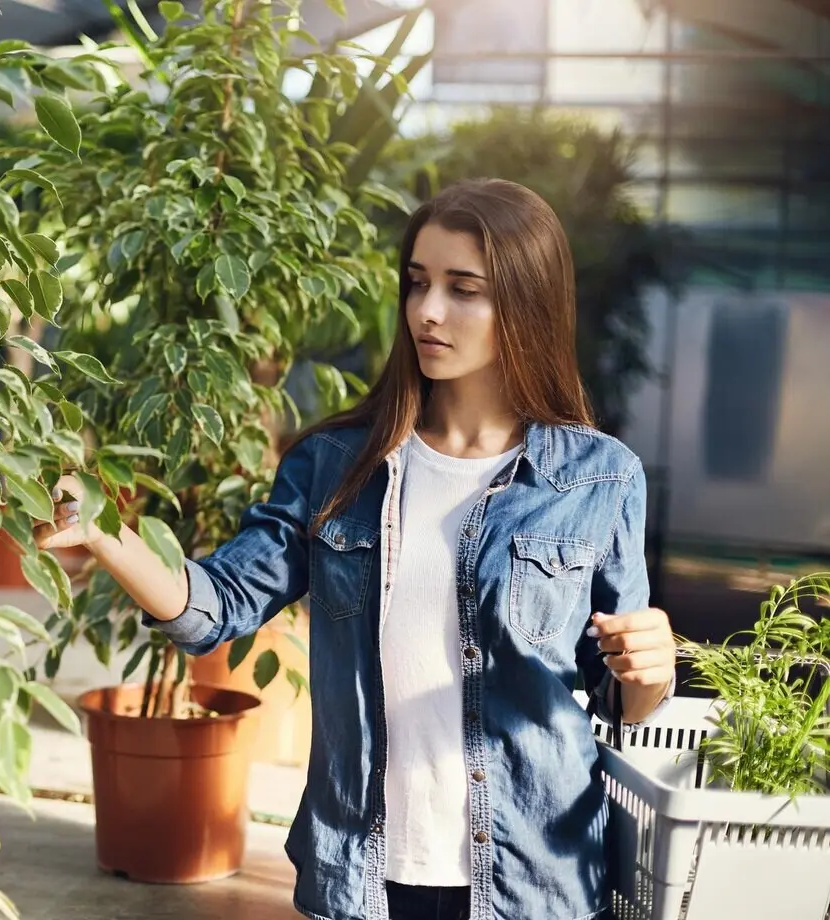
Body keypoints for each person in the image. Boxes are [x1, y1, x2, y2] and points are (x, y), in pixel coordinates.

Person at [37, 178, 677, 920]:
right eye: (418, 284)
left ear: (526, 305)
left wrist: (652, 666)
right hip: (365, 876)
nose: (427, 312)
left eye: (463, 289)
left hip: (536, 881)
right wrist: (104, 533)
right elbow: (219, 604)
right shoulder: (337, 466)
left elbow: (619, 694)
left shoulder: (600, 477)